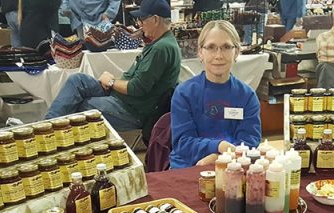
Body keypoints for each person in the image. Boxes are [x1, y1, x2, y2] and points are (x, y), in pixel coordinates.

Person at [45, 0, 181, 132]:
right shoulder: (160, 43)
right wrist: (112, 82)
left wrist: (111, 81)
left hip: (132, 109)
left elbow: (136, 88)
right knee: (77, 80)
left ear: (156, 20)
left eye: (142, 20)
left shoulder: (161, 48)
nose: (139, 24)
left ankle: (47, 133)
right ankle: (46, 127)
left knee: (82, 106)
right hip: (124, 98)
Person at [169, 20, 261, 169]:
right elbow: (182, 142)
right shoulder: (184, 93)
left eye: (226, 47)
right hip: (188, 166)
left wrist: (220, 157)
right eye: (211, 47)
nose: (219, 55)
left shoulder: (247, 96)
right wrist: (219, 146)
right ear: (200, 52)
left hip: (233, 166)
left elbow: (249, 142)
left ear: (236, 52)